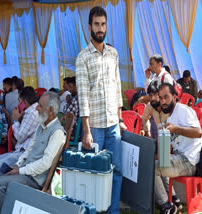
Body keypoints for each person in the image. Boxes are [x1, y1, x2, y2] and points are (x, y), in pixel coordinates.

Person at [0, 92, 66, 214]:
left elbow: (45, 164)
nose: (36, 108)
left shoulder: (57, 132)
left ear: (50, 110)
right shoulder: (42, 125)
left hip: (34, 180)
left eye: (40, 105)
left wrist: (20, 170)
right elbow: (29, 149)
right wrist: (18, 164)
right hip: (24, 171)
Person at [75, 6, 126, 214]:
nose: (100, 28)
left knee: (117, 171)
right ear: (89, 27)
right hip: (94, 127)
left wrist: (121, 118)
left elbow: (117, 87)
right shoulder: (82, 57)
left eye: (103, 24)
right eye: (96, 24)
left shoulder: (113, 54)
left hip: (113, 123)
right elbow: (83, 96)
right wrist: (86, 130)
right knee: (94, 173)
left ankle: (113, 211)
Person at [155, 83, 202, 214]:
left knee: (153, 168)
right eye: (161, 98)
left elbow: (198, 132)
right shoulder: (170, 117)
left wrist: (176, 129)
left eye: (166, 97)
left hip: (189, 161)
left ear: (175, 97)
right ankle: (174, 200)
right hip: (179, 158)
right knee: (158, 163)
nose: (163, 101)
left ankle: (167, 207)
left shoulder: (183, 111)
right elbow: (171, 147)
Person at [141, 81, 182, 211]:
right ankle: (171, 198)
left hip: (174, 140)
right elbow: (144, 119)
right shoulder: (150, 106)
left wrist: (165, 149)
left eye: (155, 95)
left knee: (160, 165)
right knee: (158, 164)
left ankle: (168, 202)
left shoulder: (169, 107)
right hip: (160, 136)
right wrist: (146, 132)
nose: (153, 98)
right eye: (150, 95)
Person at [0, 87, 39, 168]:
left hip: (24, 153)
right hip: (20, 151)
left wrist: (15, 120)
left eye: (19, 101)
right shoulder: (31, 110)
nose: (18, 105)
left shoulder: (31, 114)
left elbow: (19, 137)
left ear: (25, 102)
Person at [63, 76, 79, 141]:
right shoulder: (73, 98)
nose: (69, 90)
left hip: (70, 133)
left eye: (70, 87)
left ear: (77, 86)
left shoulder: (75, 100)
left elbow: (68, 119)